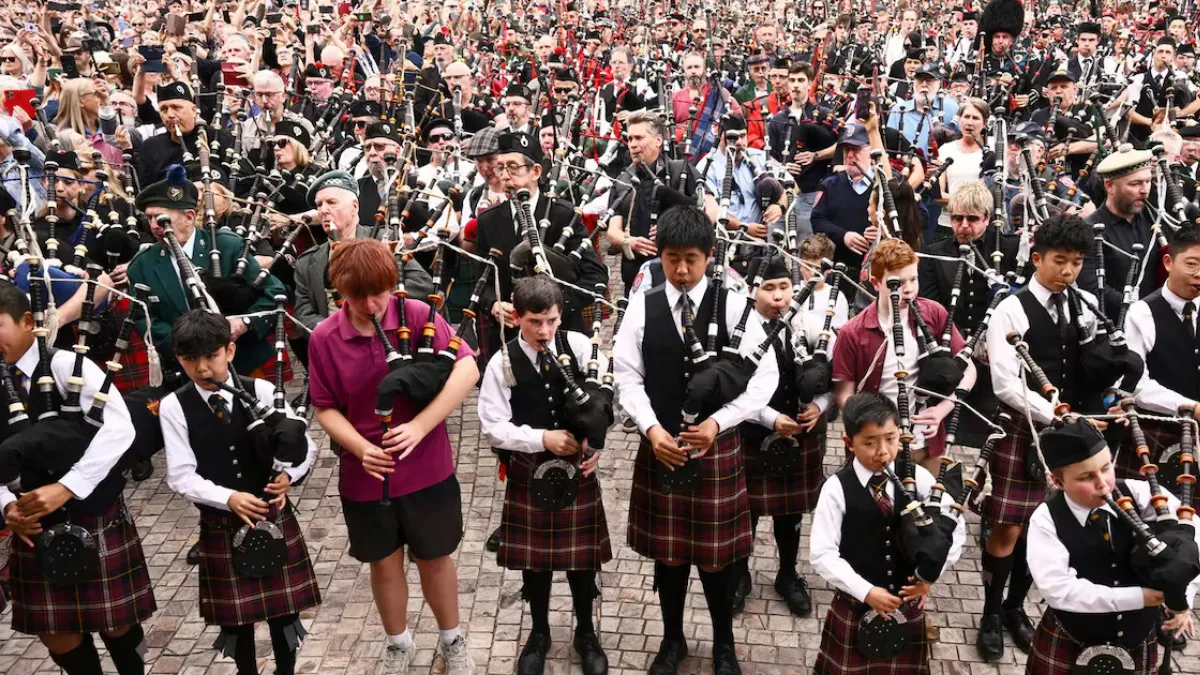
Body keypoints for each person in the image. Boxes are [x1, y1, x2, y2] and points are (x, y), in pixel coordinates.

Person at [614, 204, 778, 675]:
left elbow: (762, 379)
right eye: (671, 259)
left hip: (715, 448)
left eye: (690, 258)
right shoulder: (642, 307)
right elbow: (627, 377)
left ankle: (724, 645)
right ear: (658, 258)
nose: (681, 270)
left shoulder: (733, 304)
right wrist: (651, 429)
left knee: (716, 561)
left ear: (709, 256)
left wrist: (718, 424)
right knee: (669, 558)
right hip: (662, 448)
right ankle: (672, 641)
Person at [307, 238, 477, 675]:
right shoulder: (325, 337)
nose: (369, 303)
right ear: (339, 291)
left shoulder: (418, 315)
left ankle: (451, 640)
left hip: (428, 467)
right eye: (356, 295)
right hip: (366, 475)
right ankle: (398, 644)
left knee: (435, 557)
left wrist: (421, 426)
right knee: (384, 562)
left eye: (378, 291)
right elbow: (324, 406)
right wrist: (361, 448)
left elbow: (466, 368)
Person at [0, 279, 155, 675]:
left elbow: (119, 428)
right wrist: (6, 508)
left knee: (118, 624)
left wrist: (66, 487)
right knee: (58, 633)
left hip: (93, 510)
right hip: (32, 523)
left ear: (25, 322)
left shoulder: (67, 364)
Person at [160, 309, 320, 675]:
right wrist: (227, 498)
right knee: (237, 623)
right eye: (190, 360)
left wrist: (289, 476)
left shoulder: (261, 390)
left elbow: (304, 445)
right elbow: (181, 475)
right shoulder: (174, 406)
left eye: (211, 357)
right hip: (221, 523)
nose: (202, 369)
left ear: (229, 351)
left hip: (270, 516)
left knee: (284, 615)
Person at [981, 214, 1108, 661]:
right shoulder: (1011, 309)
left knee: (1047, 526)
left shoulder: (1085, 302)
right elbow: (1004, 383)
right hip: (1025, 426)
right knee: (1009, 524)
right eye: (1059, 261)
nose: (1069, 272)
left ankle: (1017, 608)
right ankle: (991, 613)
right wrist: (1050, 412)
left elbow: (1089, 366)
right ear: (1037, 258)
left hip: (1071, 432)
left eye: (1076, 263)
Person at [477, 276, 610, 675]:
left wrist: (596, 445)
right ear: (517, 317)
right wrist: (542, 438)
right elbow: (493, 425)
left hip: (578, 467)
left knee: (582, 562)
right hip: (532, 469)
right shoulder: (502, 362)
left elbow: (604, 398)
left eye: (551, 320)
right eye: (535, 322)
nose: (545, 331)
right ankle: (539, 634)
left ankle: (586, 632)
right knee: (536, 564)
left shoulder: (581, 346)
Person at [1025, 417, 1200, 674]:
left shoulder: (1142, 495)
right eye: (1086, 476)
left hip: (1137, 640)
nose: (1103, 483)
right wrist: (1141, 597)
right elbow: (1059, 589)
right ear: (1058, 481)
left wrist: (1182, 597)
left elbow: (1192, 539)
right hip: (1070, 637)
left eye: (1106, 467)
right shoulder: (1046, 518)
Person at [809, 391, 965, 674]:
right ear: (849, 443)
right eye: (870, 442)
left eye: (891, 439)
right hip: (856, 603)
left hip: (907, 603)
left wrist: (929, 577)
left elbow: (952, 532)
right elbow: (822, 554)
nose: (882, 451)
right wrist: (866, 591)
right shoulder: (835, 489)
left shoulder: (919, 478)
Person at [731, 253, 835, 618]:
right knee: (748, 511)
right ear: (751, 289)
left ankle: (788, 574)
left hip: (800, 436)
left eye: (785, 287)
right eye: (768, 288)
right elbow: (733, 393)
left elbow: (832, 375)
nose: (778, 297)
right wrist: (772, 418)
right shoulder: (740, 330)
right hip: (754, 434)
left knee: (789, 514)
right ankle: (740, 575)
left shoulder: (809, 324)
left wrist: (820, 406)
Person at [126, 165, 287, 378]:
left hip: (242, 363)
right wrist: (188, 345)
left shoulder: (227, 247)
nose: (154, 225)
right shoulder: (142, 265)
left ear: (190, 216)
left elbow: (274, 291)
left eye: (161, 218)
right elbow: (144, 320)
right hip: (185, 368)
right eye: (150, 218)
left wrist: (243, 323)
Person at [832, 238, 976, 475]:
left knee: (928, 507)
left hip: (927, 445)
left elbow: (969, 370)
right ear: (877, 283)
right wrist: (876, 430)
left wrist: (942, 410)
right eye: (897, 283)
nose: (908, 288)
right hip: (878, 449)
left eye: (913, 279)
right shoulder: (853, 332)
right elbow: (844, 394)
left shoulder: (934, 313)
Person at [1123, 225, 1200, 497]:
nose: (1199, 274)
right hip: (1159, 433)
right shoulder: (1141, 314)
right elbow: (1137, 384)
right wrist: (1190, 408)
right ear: (1168, 262)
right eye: (1192, 264)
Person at [1081, 144, 1162, 320]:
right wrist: (1140, 311)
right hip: (1115, 325)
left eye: (1148, 181)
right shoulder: (1089, 229)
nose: (1145, 190)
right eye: (1135, 184)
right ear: (1109, 186)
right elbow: (1093, 287)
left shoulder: (1155, 219)